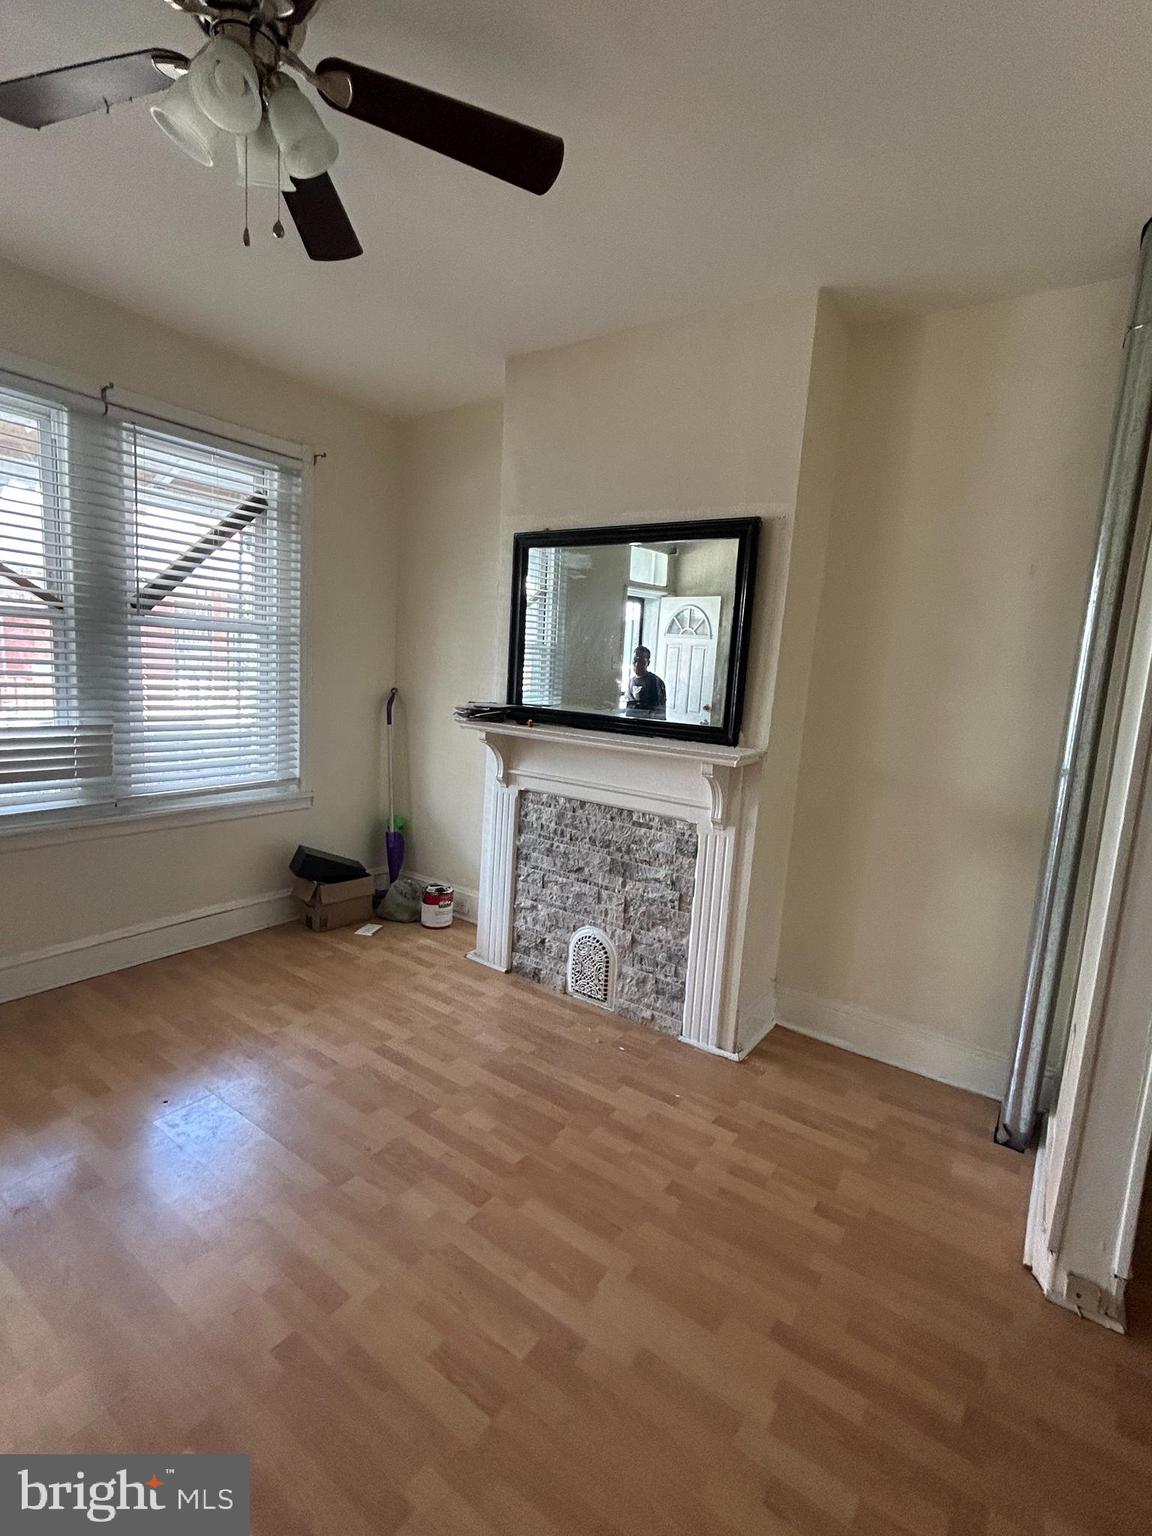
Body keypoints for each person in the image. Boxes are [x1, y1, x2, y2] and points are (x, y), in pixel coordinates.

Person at [625, 647, 667, 716]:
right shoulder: (631, 682)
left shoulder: (655, 682)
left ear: (648, 663)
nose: (637, 664)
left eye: (641, 661)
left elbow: (659, 711)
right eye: (635, 660)